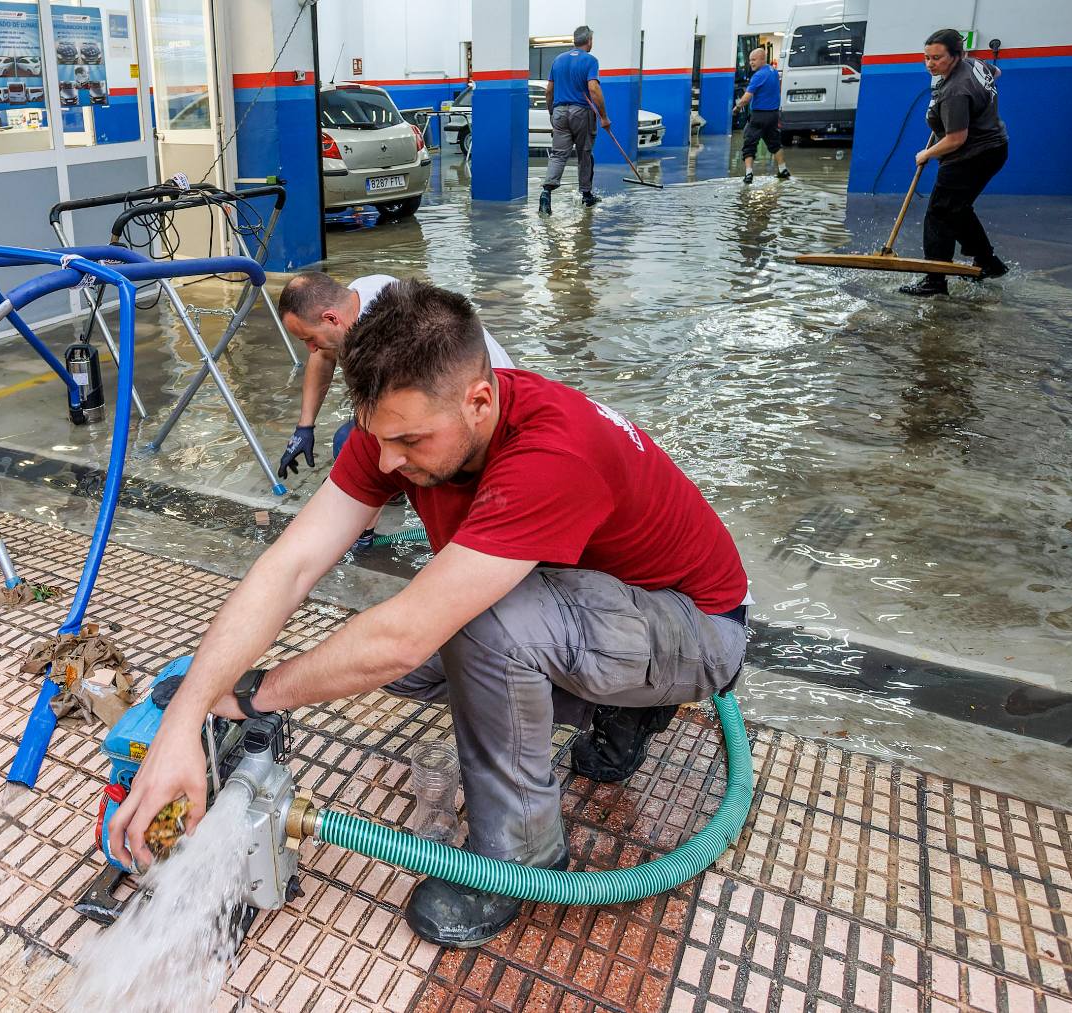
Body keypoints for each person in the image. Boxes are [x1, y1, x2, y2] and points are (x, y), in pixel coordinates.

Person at [110, 279, 750, 948]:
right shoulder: (396, 426)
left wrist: (260, 693)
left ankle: (520, 856)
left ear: (479, 400)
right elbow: (289, 565)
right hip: (598, 609)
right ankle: (622, 706)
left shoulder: (552, 452)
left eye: (410, 440)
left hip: (695, 630)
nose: (388, 460)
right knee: (403, 665)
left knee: (471, 625)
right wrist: (186, 717)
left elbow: (404, 635)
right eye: (377, 437)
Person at [275, 271, 514, 552]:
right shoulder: (358, 293)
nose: (311, 348)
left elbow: (393, 425)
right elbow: (323, 356)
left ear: (330, 318)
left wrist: (356, 526)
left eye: (309, 338)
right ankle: (392, 492)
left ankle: (369, 528)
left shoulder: (386, 337)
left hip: (482, 406)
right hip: (473, 391)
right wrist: (305, 426)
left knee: (352, 441)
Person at [900, 28, 1010, 297]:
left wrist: (926, 154)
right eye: (926, 57)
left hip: (972, 155)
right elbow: (997, 74)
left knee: (939, 212)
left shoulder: (955, 91)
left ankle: (935, 281)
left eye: (937, 58)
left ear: (956, 55)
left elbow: (956, 139)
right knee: (956, 209)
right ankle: (988, 262)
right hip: (995, 147)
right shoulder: (975, 64)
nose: (930, 64)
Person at [540, 26, 611, 216]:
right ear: (589, 41)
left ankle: (546, 193)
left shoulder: (558, 60)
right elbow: (594, 90)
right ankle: (587, 195)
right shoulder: (590, 60)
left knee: (558, 155)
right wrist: (604, 117)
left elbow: (549, 91)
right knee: (585, 153)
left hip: (560, 113)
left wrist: (552, 113)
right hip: (581, 112)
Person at [733, 48, 790, 183]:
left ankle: (748, 174)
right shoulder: (773, 71)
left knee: (749, 144)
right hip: (773, 115)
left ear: (762, 59)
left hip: (759, 116)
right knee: (775, 143)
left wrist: (736, 108)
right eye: (750, 60)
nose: (751, 63)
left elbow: (746, 98)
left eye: (753, 60)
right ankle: (783, 170)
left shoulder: (758, 76)